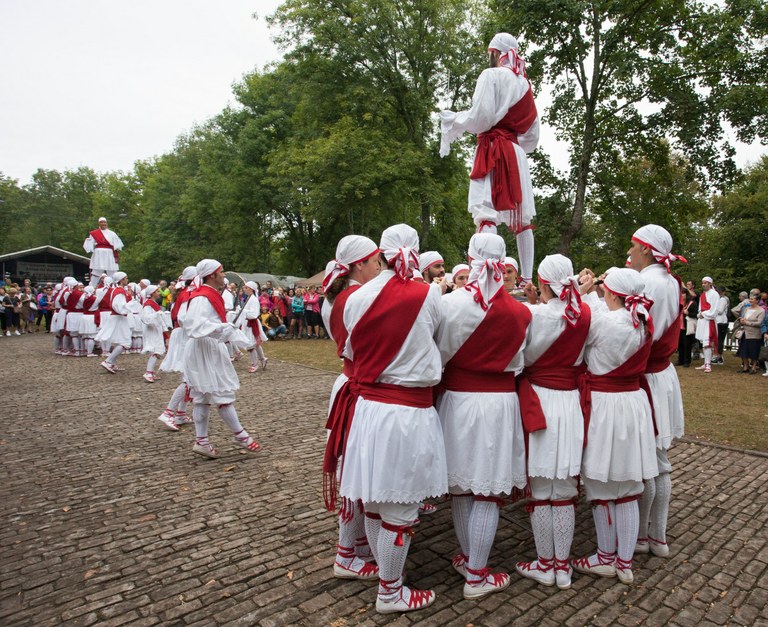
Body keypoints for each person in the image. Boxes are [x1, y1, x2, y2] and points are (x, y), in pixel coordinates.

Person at [340, 224, 447, 614]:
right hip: (408, 411)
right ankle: (390, 591)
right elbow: (441, 347)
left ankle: (387, 579)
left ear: (381, 254)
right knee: (400, 507)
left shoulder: (355, 298)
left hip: (370, 409)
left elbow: (352, 353)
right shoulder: (429, 295)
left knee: (374, 500)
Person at [437, 233, 529, 599]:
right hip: (499, 403)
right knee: (487, 490)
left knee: (462, 486)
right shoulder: (521, 312)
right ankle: (475, 569)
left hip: (457, 399)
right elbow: (520, 362)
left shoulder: (449, 304)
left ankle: (471, 564)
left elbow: (439, 354)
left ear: (470, 257)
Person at [572, 268, 659, 585]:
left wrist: (582, 292)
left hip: (606, 404)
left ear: (610, 293)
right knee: (627, 487)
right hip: (632, 403)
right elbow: (602, 314)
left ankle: (606, 557)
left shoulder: (606, 322)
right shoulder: (642, 320)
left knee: (602, 484)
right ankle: (624, 561)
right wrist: (592, 294)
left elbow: (588, 323)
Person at [515, 254, 590, 590]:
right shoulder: (585, 313)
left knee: (542, 487)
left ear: (543, 283)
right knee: (564, 487)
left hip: (540, 400)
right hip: (570, 401)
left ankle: (546, 563)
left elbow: (518, 357)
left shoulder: (533, 316)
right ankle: (563, 566)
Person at [439, 33, 539, 285]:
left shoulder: (491, 76)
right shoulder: (525, 86)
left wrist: (454, 120)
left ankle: (486, 280)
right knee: (522, 219)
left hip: (492, 147)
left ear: (495, 53)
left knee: (486, 212)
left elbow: (480, 117)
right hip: (515, 152)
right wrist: (515, 146)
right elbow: (532, 135)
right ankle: (527, 279)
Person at [321, 236, 381, 582]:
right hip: (358, 387)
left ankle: (357, 543)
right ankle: (346, 553)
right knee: (355, 472)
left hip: (351, 383)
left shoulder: (342, 296)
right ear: (360, 264)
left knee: (355, 469)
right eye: (375, 262)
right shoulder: (356, 298)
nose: (379, 268)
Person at [627, 225, 686, 559]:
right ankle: (656, 535)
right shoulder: (670, 281)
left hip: (647, 374)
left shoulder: (648, 283)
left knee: (649, 460)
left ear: (646, 250)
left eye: (633, 246)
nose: (630, 252)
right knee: (660, 459)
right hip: (661, 372)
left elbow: (636, 332)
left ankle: (641, 535)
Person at [183, 259, 260, 458]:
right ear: (212, 275)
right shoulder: (202, 297)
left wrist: (228, 325)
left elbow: (210, 323)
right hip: (204, 348)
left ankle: (202, 441)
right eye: (222, 271)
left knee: (204, 396)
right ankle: (240, 435)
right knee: (219, 393)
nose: (224, 275)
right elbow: (193, 325)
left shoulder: (208, 294)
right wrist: (222, 327)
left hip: (208, 347)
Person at [158, 267, 198, 430]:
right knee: (189, 379)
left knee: (189, 378)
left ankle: (180, 414)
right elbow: (183, 319)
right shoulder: (188, 293)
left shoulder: (184, 292)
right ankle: (168, 413)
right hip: (184, 335)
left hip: (182, 334)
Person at [97, 272, 132, 374]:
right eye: (126, 278)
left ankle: (111, 362)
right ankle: (108, 361)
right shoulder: (119, 291)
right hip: (119, 317)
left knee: (121, 341)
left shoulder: (117, 290)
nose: (127, 280)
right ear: (121, 280)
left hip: (118, 317)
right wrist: (128, 308)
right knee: (125, 342)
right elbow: (117, 305)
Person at [141, 285, 170, 382]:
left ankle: (151, 372)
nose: (159, 293)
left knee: (157, 350)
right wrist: (157, 314)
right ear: (152, 293)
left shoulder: (153, 303)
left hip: (156, 329)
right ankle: (148, 372)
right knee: (155, 350)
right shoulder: (148, 304)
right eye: (157, 291)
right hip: (152, 330)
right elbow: (146, 318)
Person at [83, 217, 123, 287]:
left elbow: (117, 245)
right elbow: (90, 243)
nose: (103, 223)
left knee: (112, 271)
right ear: (99, 223)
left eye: (104, 222)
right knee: (96, 271)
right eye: (101, 222)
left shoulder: (112, 233)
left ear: (106, 223)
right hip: (98, 254)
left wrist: (117, 247)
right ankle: (91, 287)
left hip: (109, 253)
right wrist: (88, 242)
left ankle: (114, 287)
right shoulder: (94, 233)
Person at [239, 281, 268, 373]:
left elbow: (254, 314)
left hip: (251, 324)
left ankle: (255, 364)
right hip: (248, 323)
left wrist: (243, 311)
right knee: (255, 343)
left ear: (251, 289)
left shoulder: (253, 300)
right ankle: (263, 359)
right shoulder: (249, 298)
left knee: (250, 345)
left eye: (246, 288)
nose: (244, 289)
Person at [694, 277, 720, 373]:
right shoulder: (703, 295)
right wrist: (699, 314)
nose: (703, 284)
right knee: (704, 343)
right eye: (702, 283)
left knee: (707, 343)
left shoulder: (714, 294)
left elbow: (714, 310)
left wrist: (703, 314)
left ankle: (708, 364)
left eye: (705, 283)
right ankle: (705, 363)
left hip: (709, 321)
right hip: (702, 320)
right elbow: (700, 308)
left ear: (710, 284)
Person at [736, 294, 765, 374]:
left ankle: (754, 367)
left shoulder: (761, 310)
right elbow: (742, 317)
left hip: (754, 334)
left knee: (754, 351)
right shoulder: (746, 309)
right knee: (743, 350)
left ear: (757, 300)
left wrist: (747, 323)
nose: (750, 300)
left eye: (752, 299)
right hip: (745, 333)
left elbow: (759, 323)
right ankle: (746, 366)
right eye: (750, 299)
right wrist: (741, 320)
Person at [713, 286, 729, 364]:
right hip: (718, 321)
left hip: (721, 322)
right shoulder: (719, 299)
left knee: (720, 340)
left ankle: (719, 356)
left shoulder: (723, 299)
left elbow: (720, 310)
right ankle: (717, 355)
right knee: (717, 339)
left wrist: (712, 309)